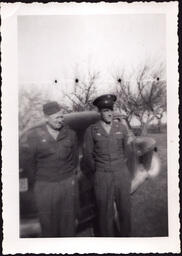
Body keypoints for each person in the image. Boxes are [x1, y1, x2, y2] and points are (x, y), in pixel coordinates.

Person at [24, 101, 78, 237]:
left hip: (66, 185)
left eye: (61, 117)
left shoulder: (70, 134)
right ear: (46, 118)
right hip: (45, 187)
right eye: (56, 118)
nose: (60, 120)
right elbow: (29, 165)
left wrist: (71, 180)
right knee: (48, 227)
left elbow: (75, 160)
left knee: (68, 226)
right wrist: (40, 182)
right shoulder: (34, 137)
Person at [83, 94, 135, 237]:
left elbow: (128, 152)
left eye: (111, 110)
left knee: (125, 210)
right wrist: (99, 171)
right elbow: (88, 156)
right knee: (105, 213)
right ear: (99, 112)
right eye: (105, 111)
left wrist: (123, 171)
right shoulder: (92, 130)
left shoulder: (121, 128)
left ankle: (126, 242)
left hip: (121, 175)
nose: (109, 113)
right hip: (102, 176)